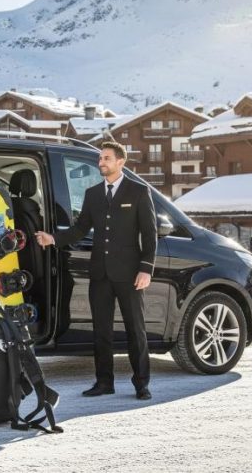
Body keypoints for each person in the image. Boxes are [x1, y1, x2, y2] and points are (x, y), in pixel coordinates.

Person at [35, 141, 156, 401]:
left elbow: (150, 234)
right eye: (100, 158)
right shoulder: (93, 195)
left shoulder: (138, 191)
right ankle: (104, 382)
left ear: (121, 162)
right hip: (100, 274)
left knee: (136, 330)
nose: (101, 162)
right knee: (101, 331)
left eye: (106, 158)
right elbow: (79, 230)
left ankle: (141, 384)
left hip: (130, 275)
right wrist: (52, 239)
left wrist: (146, 269)